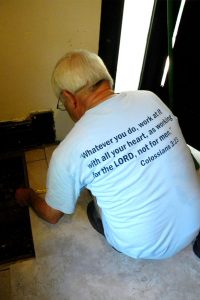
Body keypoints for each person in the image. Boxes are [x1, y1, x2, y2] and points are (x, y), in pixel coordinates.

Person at [15, 49, 200, 260]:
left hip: (143, 247)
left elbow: (52, 215)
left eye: (62, 103)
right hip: (195, 222)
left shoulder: (69, 151)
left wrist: (28, 195)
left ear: (69, 97)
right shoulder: (150, 98)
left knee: (94, 193)